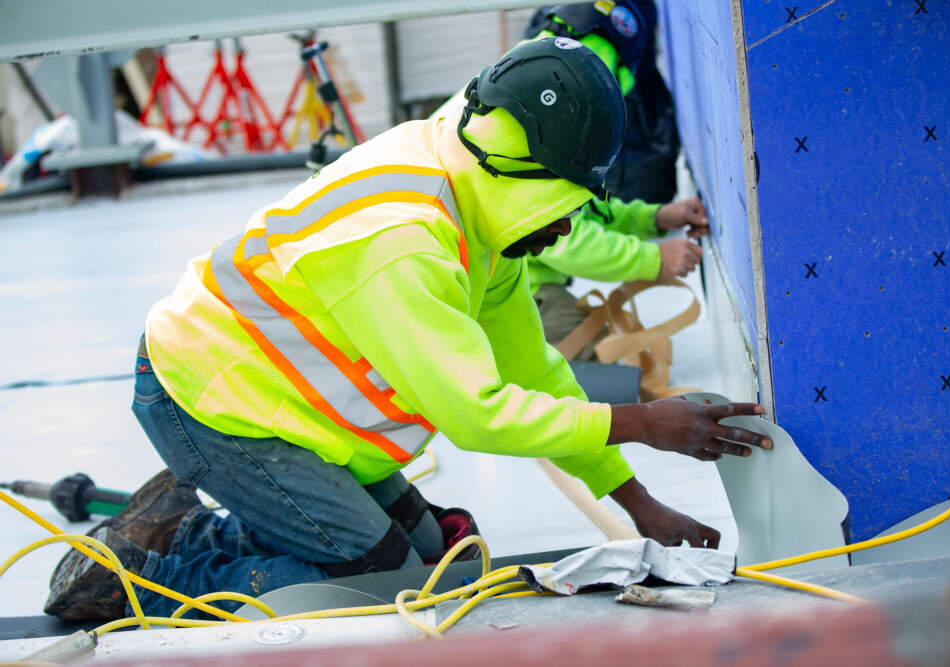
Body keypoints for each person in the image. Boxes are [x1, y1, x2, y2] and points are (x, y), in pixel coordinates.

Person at [45, 38, 771, 623]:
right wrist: (643, 421)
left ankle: (235, 524)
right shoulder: (405, 240)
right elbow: (478, 412)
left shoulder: (478, 207)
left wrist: (637, 502)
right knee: (374, 583)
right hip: (209, 398)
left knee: (439, 554)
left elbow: (530, 370)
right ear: (524, 175)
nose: (565, 225)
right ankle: (162, 556)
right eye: (565, 201)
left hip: (278, 403)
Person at [521, 1, 706, 358]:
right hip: (521, 298)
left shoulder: (543, 113)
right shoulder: (537, 135)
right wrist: (654, 259)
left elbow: (582, 213)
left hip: (531, 288)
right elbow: (568, 243)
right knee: (613, 376)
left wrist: (655, 217)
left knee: (622, 367)